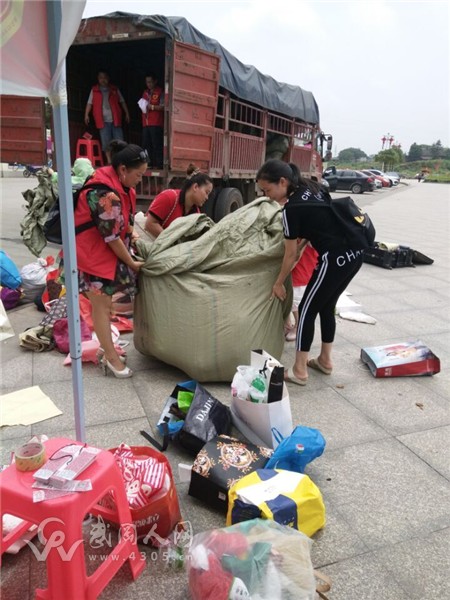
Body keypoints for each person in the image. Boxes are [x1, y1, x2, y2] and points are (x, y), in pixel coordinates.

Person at [256, 159, 365, 385]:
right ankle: (325, 360)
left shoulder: (290, 210)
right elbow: (316, 226)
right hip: (355, 253)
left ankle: (299, 371)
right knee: (326, 306)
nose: (267, 196)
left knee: (306, 310)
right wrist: (301, 248)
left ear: (282, 182)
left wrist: (278, 283)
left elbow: (289, 255)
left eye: (268, 190)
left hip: (334, 258)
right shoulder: (312, 188)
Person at [58, 141, 148, 378]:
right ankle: (111, 358)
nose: (140, 180)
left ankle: (106, 348)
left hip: (101, 255)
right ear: (123, 170)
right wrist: (131, 263)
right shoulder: (105, 195)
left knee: (106, 306)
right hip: (88, 257)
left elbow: (124, 225)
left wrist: (132, 235)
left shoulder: (120, 186)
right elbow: (112, 239)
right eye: (139, 175)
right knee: (101, 307)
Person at [144, 164, 213, 238]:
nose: (207, 198)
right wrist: (170, 241)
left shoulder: (196, 213)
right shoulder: (169, 197)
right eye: (206, 192)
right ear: (195, 187)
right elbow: (150, 224)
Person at [84, 70, 130, 164]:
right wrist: (86, 114)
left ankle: (120, 160)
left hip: (115, 119)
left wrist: (127, 113)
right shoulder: (94, 90)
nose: (103, 80)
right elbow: (89, 103)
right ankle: (109, 161)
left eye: (105, 78)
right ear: (98, 79)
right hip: (102, 121)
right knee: (106, 142)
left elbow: (122, 101)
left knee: (119, 141)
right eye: (101, 78)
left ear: (108, 78)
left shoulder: (114, 89)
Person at [284, 242, 318, 341]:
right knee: (287, 298)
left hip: (301, 269)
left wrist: (283, 274)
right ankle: (288, 324)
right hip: (296, 268)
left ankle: (299, 327)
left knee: (295, 301)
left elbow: (296, 255)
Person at [139, 73, 164, 168]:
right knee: (145, 145)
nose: (148, 84)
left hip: (156, 123)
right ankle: (147, 164)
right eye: (147, 82)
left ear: (155, 81)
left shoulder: (160, 91)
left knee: (156, 144)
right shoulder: (145, 92)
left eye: (150, 82)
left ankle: (159, 164)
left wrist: (152, 107)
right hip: (145, 123)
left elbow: (163, 107)